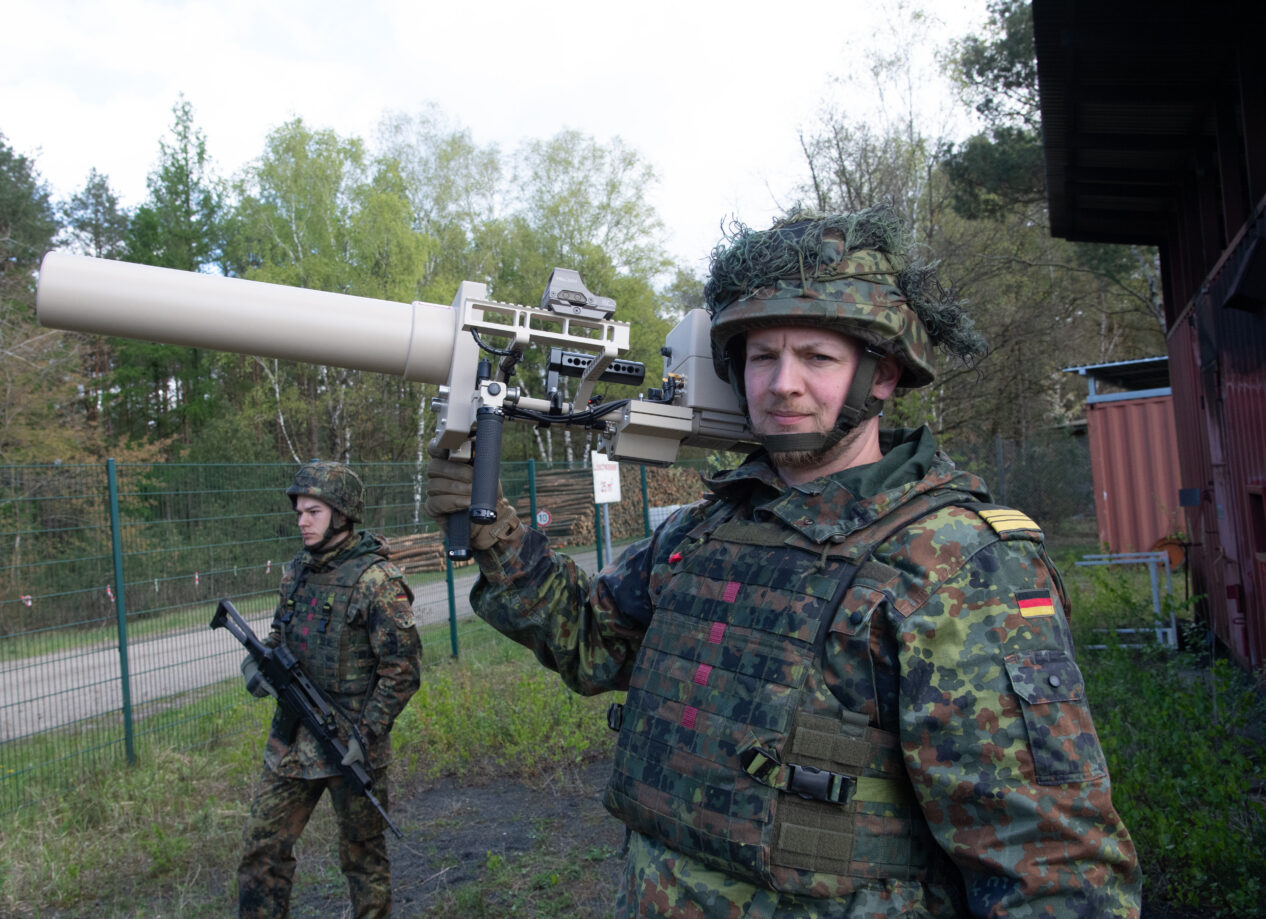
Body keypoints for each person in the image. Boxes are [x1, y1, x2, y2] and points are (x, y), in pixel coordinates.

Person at [425, 204, 1141, 918]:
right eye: (763, 357)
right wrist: (500, 536)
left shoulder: (959, 562)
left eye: (817, 357)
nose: (782, 383)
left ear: (883, 375)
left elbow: (1048, 861)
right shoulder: (708, 529)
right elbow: (590, 641)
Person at [238, 460, 422, 919]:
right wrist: (257, 661)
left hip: (351, 744)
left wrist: (368, 732)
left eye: (312, 511)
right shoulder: (297, 572)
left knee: (363, 857)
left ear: (341, 514)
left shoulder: (376, 582)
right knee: (262, 849)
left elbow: (403, 669)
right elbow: (281, 636)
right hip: (294, 739)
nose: (301, 521)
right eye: (299, 511)